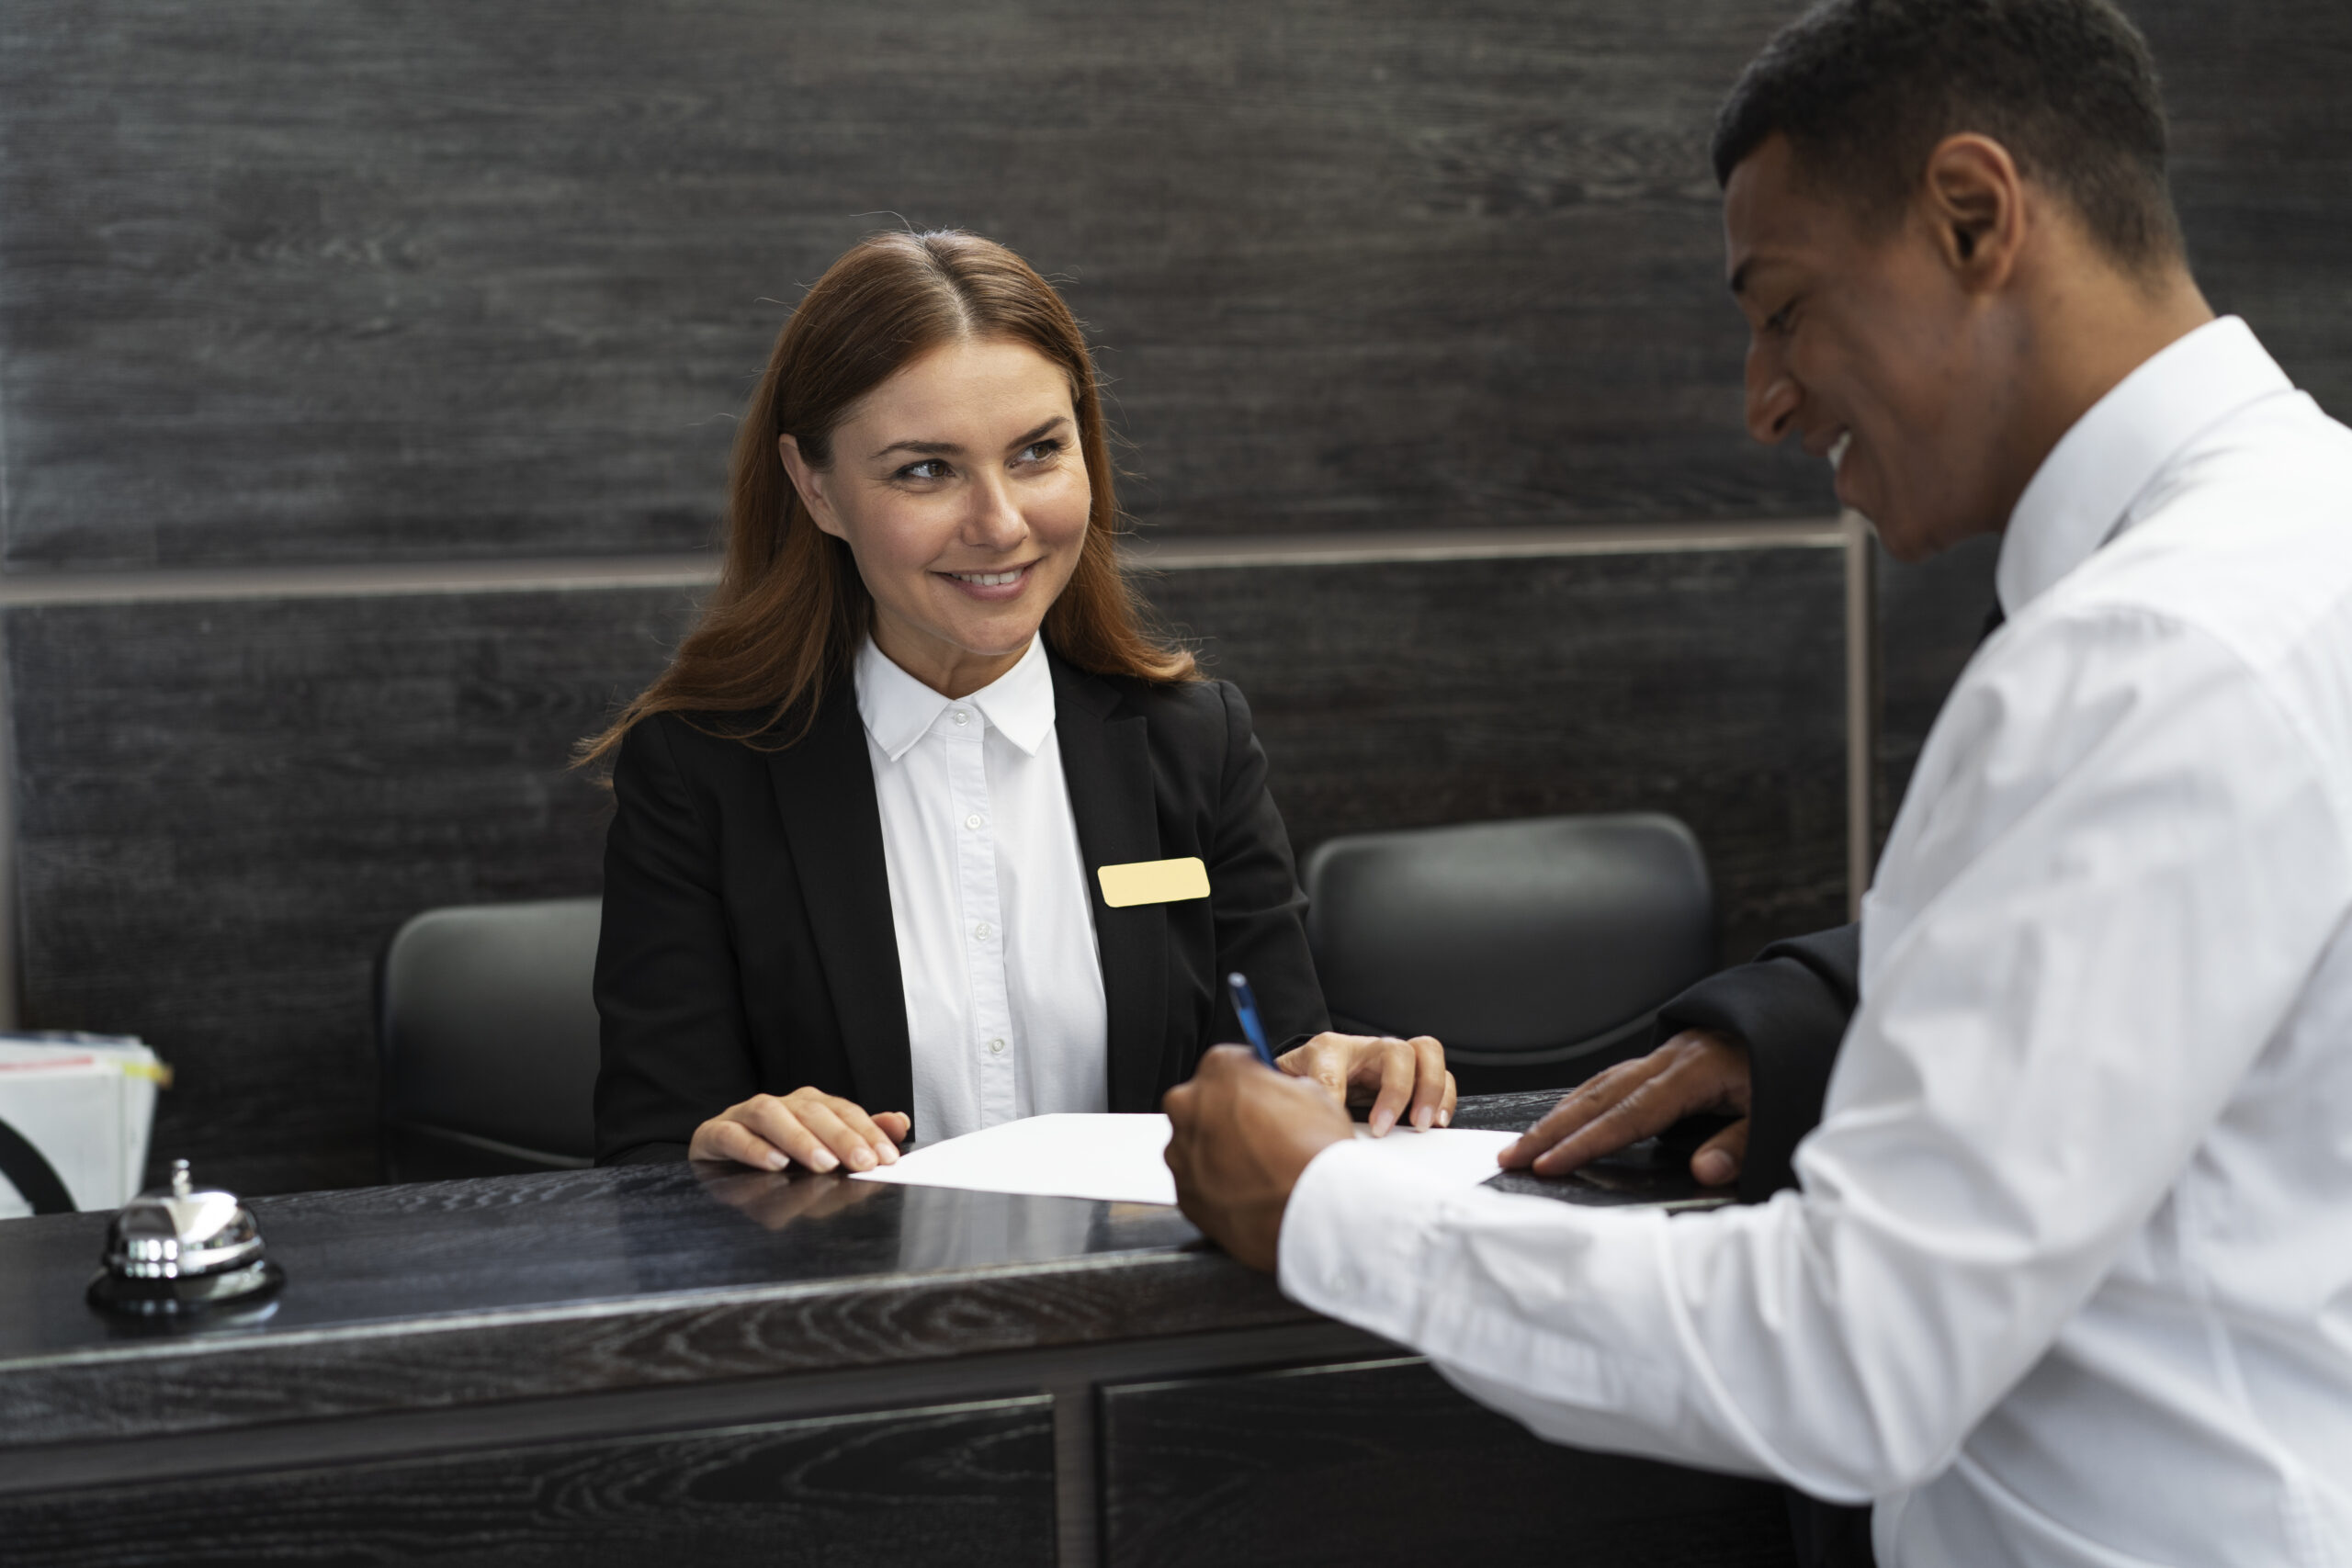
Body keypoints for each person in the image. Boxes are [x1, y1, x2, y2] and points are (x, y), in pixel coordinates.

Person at [1162, 3, 2352, 1565]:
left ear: (1975, 217)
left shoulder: (2137, 649)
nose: (1764, 400)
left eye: (1783, 310)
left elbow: (1850, 1356)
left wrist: (1327, 1207)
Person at [586, 231, 1454, 1175]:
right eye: (926, 470)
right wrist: (718, 1148)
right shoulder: (699, 772)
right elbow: (651, 1152)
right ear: (817, 488)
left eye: (1038, 452)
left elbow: (1279, 1076)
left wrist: (1338, 1081)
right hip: (846, 1313)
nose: (1000, 525)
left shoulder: (1196, 746)